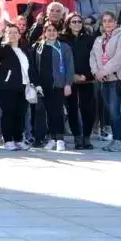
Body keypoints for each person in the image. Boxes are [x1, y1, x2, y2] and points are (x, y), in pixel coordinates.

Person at [29, 22, 74, 152]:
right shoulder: (37, 47)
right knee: (47, 113)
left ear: (58, 32)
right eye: (48, 30)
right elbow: (33, 68)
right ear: (44, 32)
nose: (51, 32)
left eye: (54, 30)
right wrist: (36, 84)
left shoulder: (64, 47)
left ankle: (60, 139)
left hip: (58, 85)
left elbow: (70, 67)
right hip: (42, 87)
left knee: (58, 113)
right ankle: (52, 139)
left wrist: (68, 84)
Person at [89, 11, 121, 153]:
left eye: (110, 21)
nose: (107, 23)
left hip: (116, 80)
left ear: (115, 22)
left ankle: (120, 141)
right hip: (103, 80)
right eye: (104, 21)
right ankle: (114, 140)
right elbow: (93, 57)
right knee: (109, 112)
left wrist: (103, 72)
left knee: (115, 111)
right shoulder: (99, 39)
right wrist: (96, 73)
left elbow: (119, 59)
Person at [0, 24, 30, 150]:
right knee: (9, 113)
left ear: (19, 35)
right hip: (6, 87)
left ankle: (18, 139)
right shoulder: (3, 48)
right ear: (6, 35)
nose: (13, 35)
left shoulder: (24, 49)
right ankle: (8, 140)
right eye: (10, 32)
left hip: (23, 87)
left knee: (20, 114)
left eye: (15, 32)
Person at [62, 13, 97, 150]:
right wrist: (72, 76)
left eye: (79, 22)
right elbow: (61, 60)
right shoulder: (63, 39)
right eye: (73, 22)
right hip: (70, 80)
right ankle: (77, 137)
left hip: (86, 79)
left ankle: (86, 138)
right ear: (68, 24)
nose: (77, 24)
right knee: (72, 110)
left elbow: (94, 58)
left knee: (88, 109)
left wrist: (86, 75)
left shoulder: (89, 39)